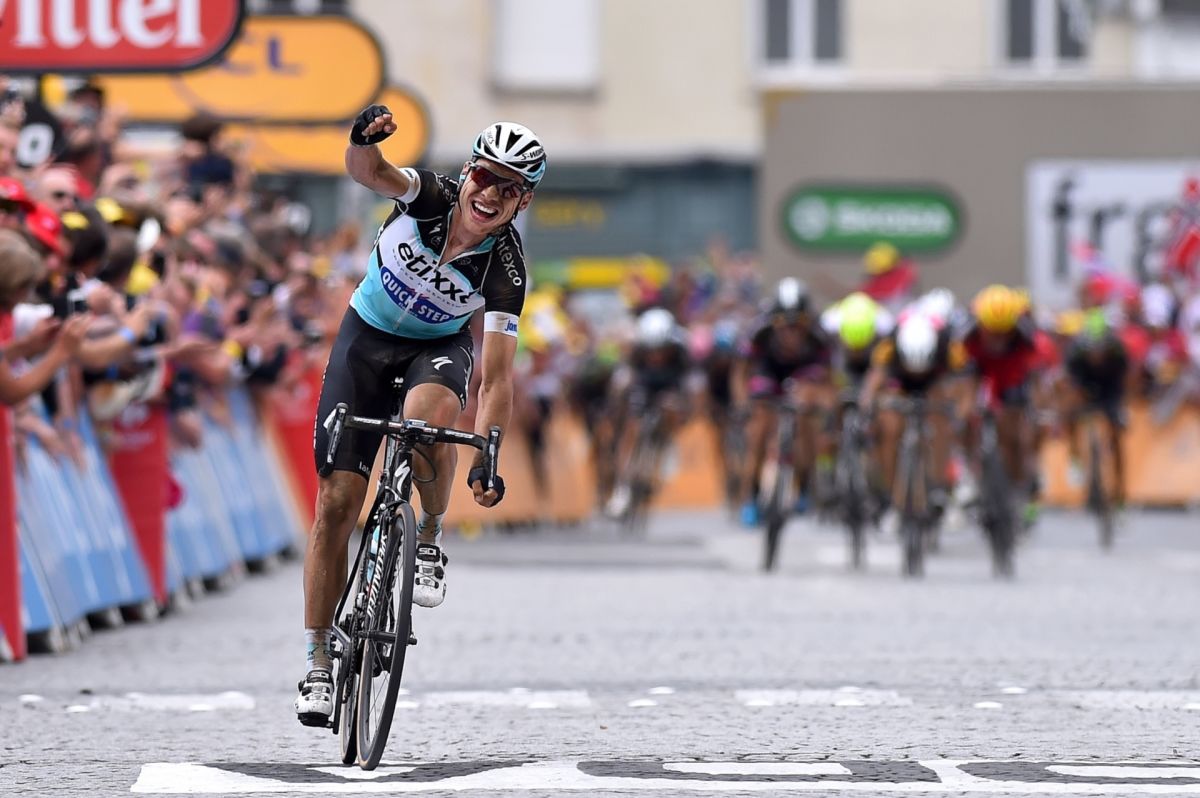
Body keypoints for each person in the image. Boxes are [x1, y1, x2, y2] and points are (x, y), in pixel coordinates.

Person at [295, 107, 544, 726]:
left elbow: (497, 377)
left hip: (437, 348)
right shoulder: (429, 195)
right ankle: (319, 661)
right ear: (468, 172)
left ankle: (428, 537)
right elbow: (370, 172)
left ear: (524, 201)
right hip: (365, 339)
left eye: (509, 188)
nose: (490, 194)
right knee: (335, 504)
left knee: (430, 419)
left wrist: (488, 453)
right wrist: (360, 140)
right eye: (485, 176)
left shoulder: (507, 269)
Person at [732, 277, 830, 526]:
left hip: (804, 374)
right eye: (784, 325)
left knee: (805, 415)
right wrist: (742, 403)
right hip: (769, 374)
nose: (791, 332)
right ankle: (751, 496)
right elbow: (740, 372)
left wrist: (822, 403)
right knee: (759, 428)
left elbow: (828, 380)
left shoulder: (819, 336)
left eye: (798, 325)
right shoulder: (759, 332)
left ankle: (805, 482)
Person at [603, 307, 693, 518]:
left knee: (672, 408)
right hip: (643, 383)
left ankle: (666, 446)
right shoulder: (635, 351)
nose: (656, 356)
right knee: (631, 425)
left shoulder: (681, 351)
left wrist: (682, 407)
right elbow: (623, 380)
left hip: (670, 384)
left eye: (662, 350)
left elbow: (690, 385)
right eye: (651, 351)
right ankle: (622, 488)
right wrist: (618, 405)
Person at [1062, 310, 1130, 506]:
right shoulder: (1076, 352)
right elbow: (1070, 384)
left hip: (1110, 389)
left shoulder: (1117, 350)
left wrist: (1122, 406)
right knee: (1070, 413)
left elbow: (1126, 381)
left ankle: (1119, 491)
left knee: (1117, 434)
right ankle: (1075, 456)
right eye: (1092, 350)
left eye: (1100, 350)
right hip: (1085, 386)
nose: (1096, 355)